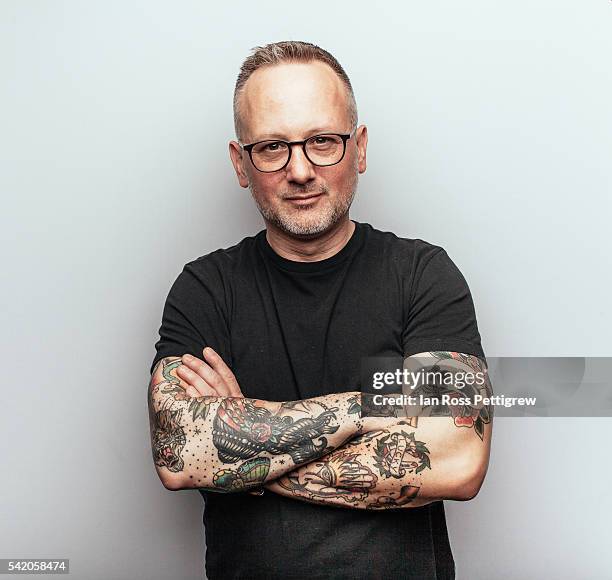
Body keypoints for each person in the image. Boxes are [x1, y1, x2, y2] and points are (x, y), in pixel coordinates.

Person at [148, 40, 493, 580]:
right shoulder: (205, 288)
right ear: (241, 163)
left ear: (359, 148)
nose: (301, 170)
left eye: (322, 141)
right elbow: (179, 452)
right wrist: (374, 410)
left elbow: (457, 461)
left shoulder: (424, 275)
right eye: (272, 148)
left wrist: (244, 447)